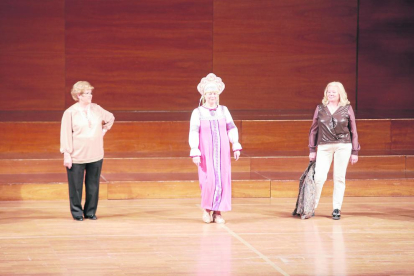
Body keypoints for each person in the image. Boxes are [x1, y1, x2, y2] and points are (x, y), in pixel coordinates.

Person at [189, 73, 242, 224]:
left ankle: (218, 212)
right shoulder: (198, 112)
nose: (212, 96)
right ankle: (206, 209)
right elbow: (193, 132)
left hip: (223, 152)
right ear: (204, 95)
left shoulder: (224, 110)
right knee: (209, 180)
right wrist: (195, 150)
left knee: (222, 179)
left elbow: (231, 128)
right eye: (209, 93)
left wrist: (235, 144)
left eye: (214, 93)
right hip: (206, 152)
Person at [60, 81, 115, 221]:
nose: (90, 96)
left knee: (93, 185)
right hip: (77, 155)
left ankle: (90, 211)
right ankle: (77, 212)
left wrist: (103, 130)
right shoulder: (70, 112)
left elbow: (110, 118)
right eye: (87, 93)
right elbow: (65, 133)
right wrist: (67, 154)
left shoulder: (96, 109)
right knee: (76, 187)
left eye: (91, 93)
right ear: (79, 95)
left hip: (95, 154)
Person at [308, 81, 360, 220]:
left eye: (333, 92)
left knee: (339, 177)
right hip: (324, 146)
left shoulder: (347, 108)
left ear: (340, 94)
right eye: (328, 91)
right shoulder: (320, 108)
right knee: (319, 177)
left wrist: (355, 151)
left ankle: (337, 208)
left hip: (343, 145)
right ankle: (311, 206)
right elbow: (314, 129)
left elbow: (353, 130)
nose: (330, 94)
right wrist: (312, 149)